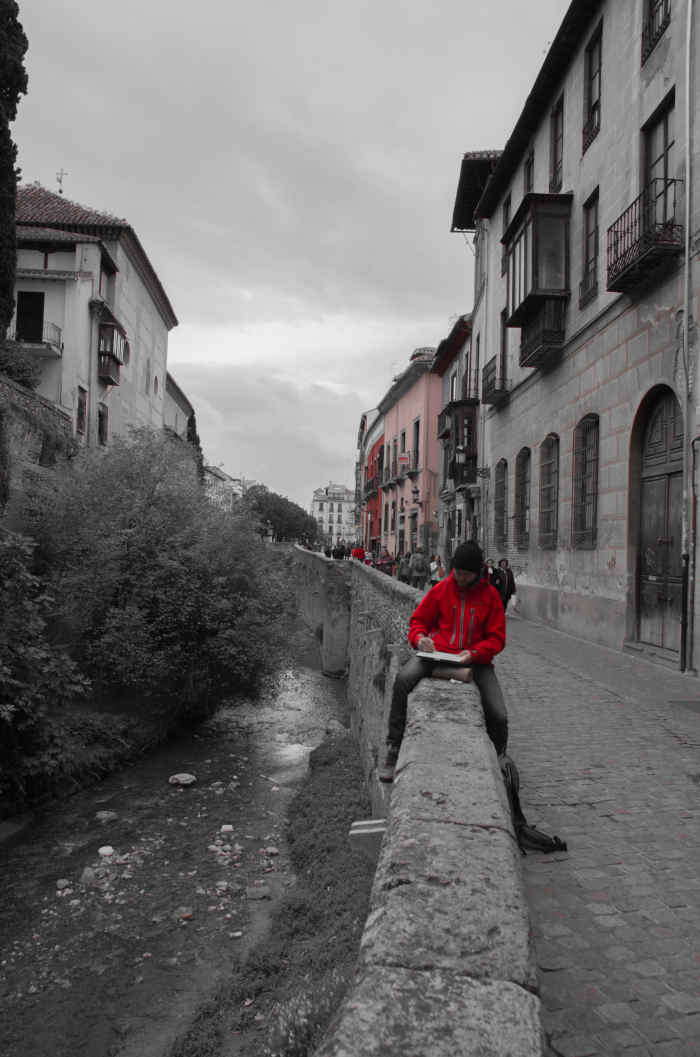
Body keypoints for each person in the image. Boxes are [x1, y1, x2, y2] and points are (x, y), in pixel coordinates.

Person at [379, 541, 507, 783]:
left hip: (476, 661)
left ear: (477, 572)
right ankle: (393, 748)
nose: (459, 578)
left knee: (498, 714)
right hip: (437, 654)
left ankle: (500, 761)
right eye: (457, 572)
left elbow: (497, 639)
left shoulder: (490, 597)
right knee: (403, 680)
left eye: (465, 574)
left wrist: (475, 653)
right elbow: (418, 622)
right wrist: (420, 639)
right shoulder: (441, 590)